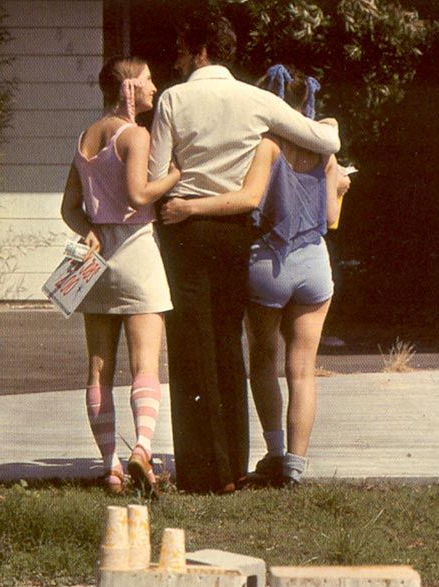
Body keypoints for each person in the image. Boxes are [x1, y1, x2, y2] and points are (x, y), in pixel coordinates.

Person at [149, 11, 341, 494]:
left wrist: (180, 182)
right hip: (235, 229)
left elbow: (155, 175)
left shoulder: (173, 98)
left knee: (190, 346)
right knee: (227, 342)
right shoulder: (256, 99)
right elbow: (327, 139)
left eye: (181, 48)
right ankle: (235, 464)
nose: (177, 58)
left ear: (201, 50)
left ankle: (201, 470)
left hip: (185, 224)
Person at [61, 56, 180, 496]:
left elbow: (69, 208)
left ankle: (110, 466)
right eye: (148, 79)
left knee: (99, 368)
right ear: (129, 86)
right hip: (136, 252)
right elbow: (138, 194)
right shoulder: (135, 135)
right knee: (146, 363)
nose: (154, 87)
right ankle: (143, 448)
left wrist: (89, 229)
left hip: (97, 261)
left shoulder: (86, 137)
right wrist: (174, 176)